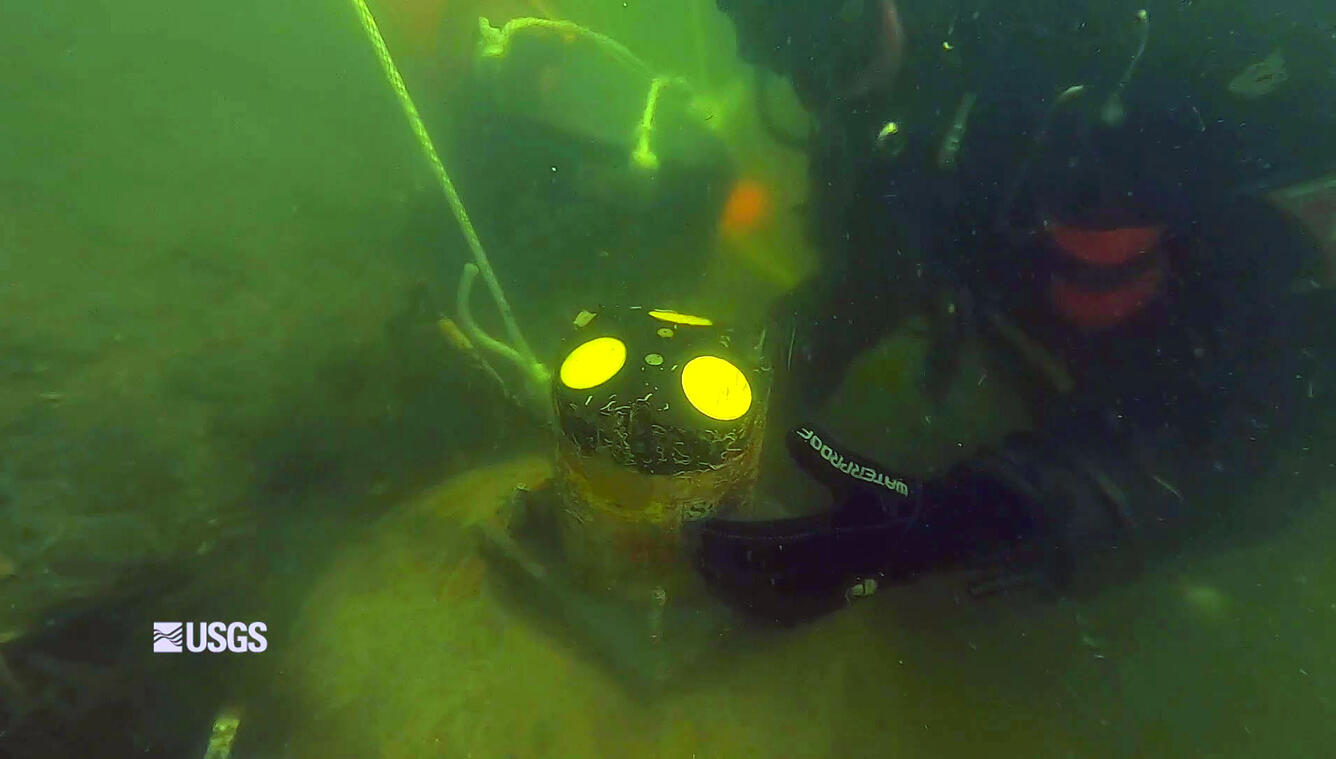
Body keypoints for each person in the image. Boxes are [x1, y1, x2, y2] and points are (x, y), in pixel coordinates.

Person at [692, 0, 1336, 622]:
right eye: (786, 49)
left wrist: (956, 525)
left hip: (1212, 388)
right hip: (1089, 345)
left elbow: (1262, 425)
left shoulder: (1192, 65)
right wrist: (781, 355)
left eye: (830, 35)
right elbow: (894, 249)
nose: (832, 89)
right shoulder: (933, 67)